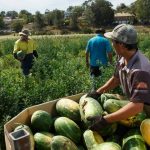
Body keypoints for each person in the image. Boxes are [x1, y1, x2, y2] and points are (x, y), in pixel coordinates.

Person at [86, 24, 150, 131]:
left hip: (145, 109)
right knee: (105, 99)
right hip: (134, 101)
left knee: (108, 104)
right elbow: (116, 79)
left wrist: (106, 120)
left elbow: (137, 106)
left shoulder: (140, 70)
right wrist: (98, 92)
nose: (112, 44)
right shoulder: (122, 57)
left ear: (122, 45)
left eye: (113, 41)